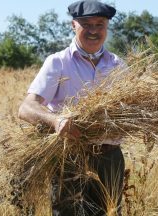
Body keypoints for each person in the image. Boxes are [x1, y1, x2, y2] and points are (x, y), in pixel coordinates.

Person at [18, 1, 125, 215]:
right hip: (70, 158)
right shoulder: (57, 62)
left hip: (109, 159)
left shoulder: (118, 66)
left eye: (100, 24)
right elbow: (27, 108)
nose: (94, 30)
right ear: (73, 25)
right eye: (87, 24)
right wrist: (55, 121)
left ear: (107, 27)